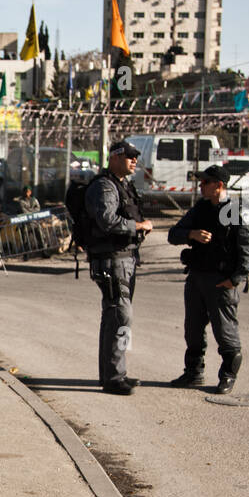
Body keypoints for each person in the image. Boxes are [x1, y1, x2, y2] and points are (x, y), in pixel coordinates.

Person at [166, 165, 249, 394]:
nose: (200, 186)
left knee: (225, 331)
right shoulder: (200, 209)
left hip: (221, 280)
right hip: (196, 277)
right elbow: (173, 234)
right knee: (193, 329)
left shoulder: (238, 211)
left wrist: (235, 279)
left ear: (219, 185)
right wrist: (191, 234)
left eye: (205, 182)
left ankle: (228, 375)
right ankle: (193, 372)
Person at [84, 140, 153, 395]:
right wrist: (138, 226)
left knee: (117, 318)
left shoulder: (122, 185)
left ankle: (115, 372)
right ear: (114, 157)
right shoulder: (104, 186)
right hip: (112, 259)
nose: (134, 160)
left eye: (136, 157)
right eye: (129, 156)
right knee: (121, 316)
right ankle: (114, 377)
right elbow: (107, 221)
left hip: (125, 258)